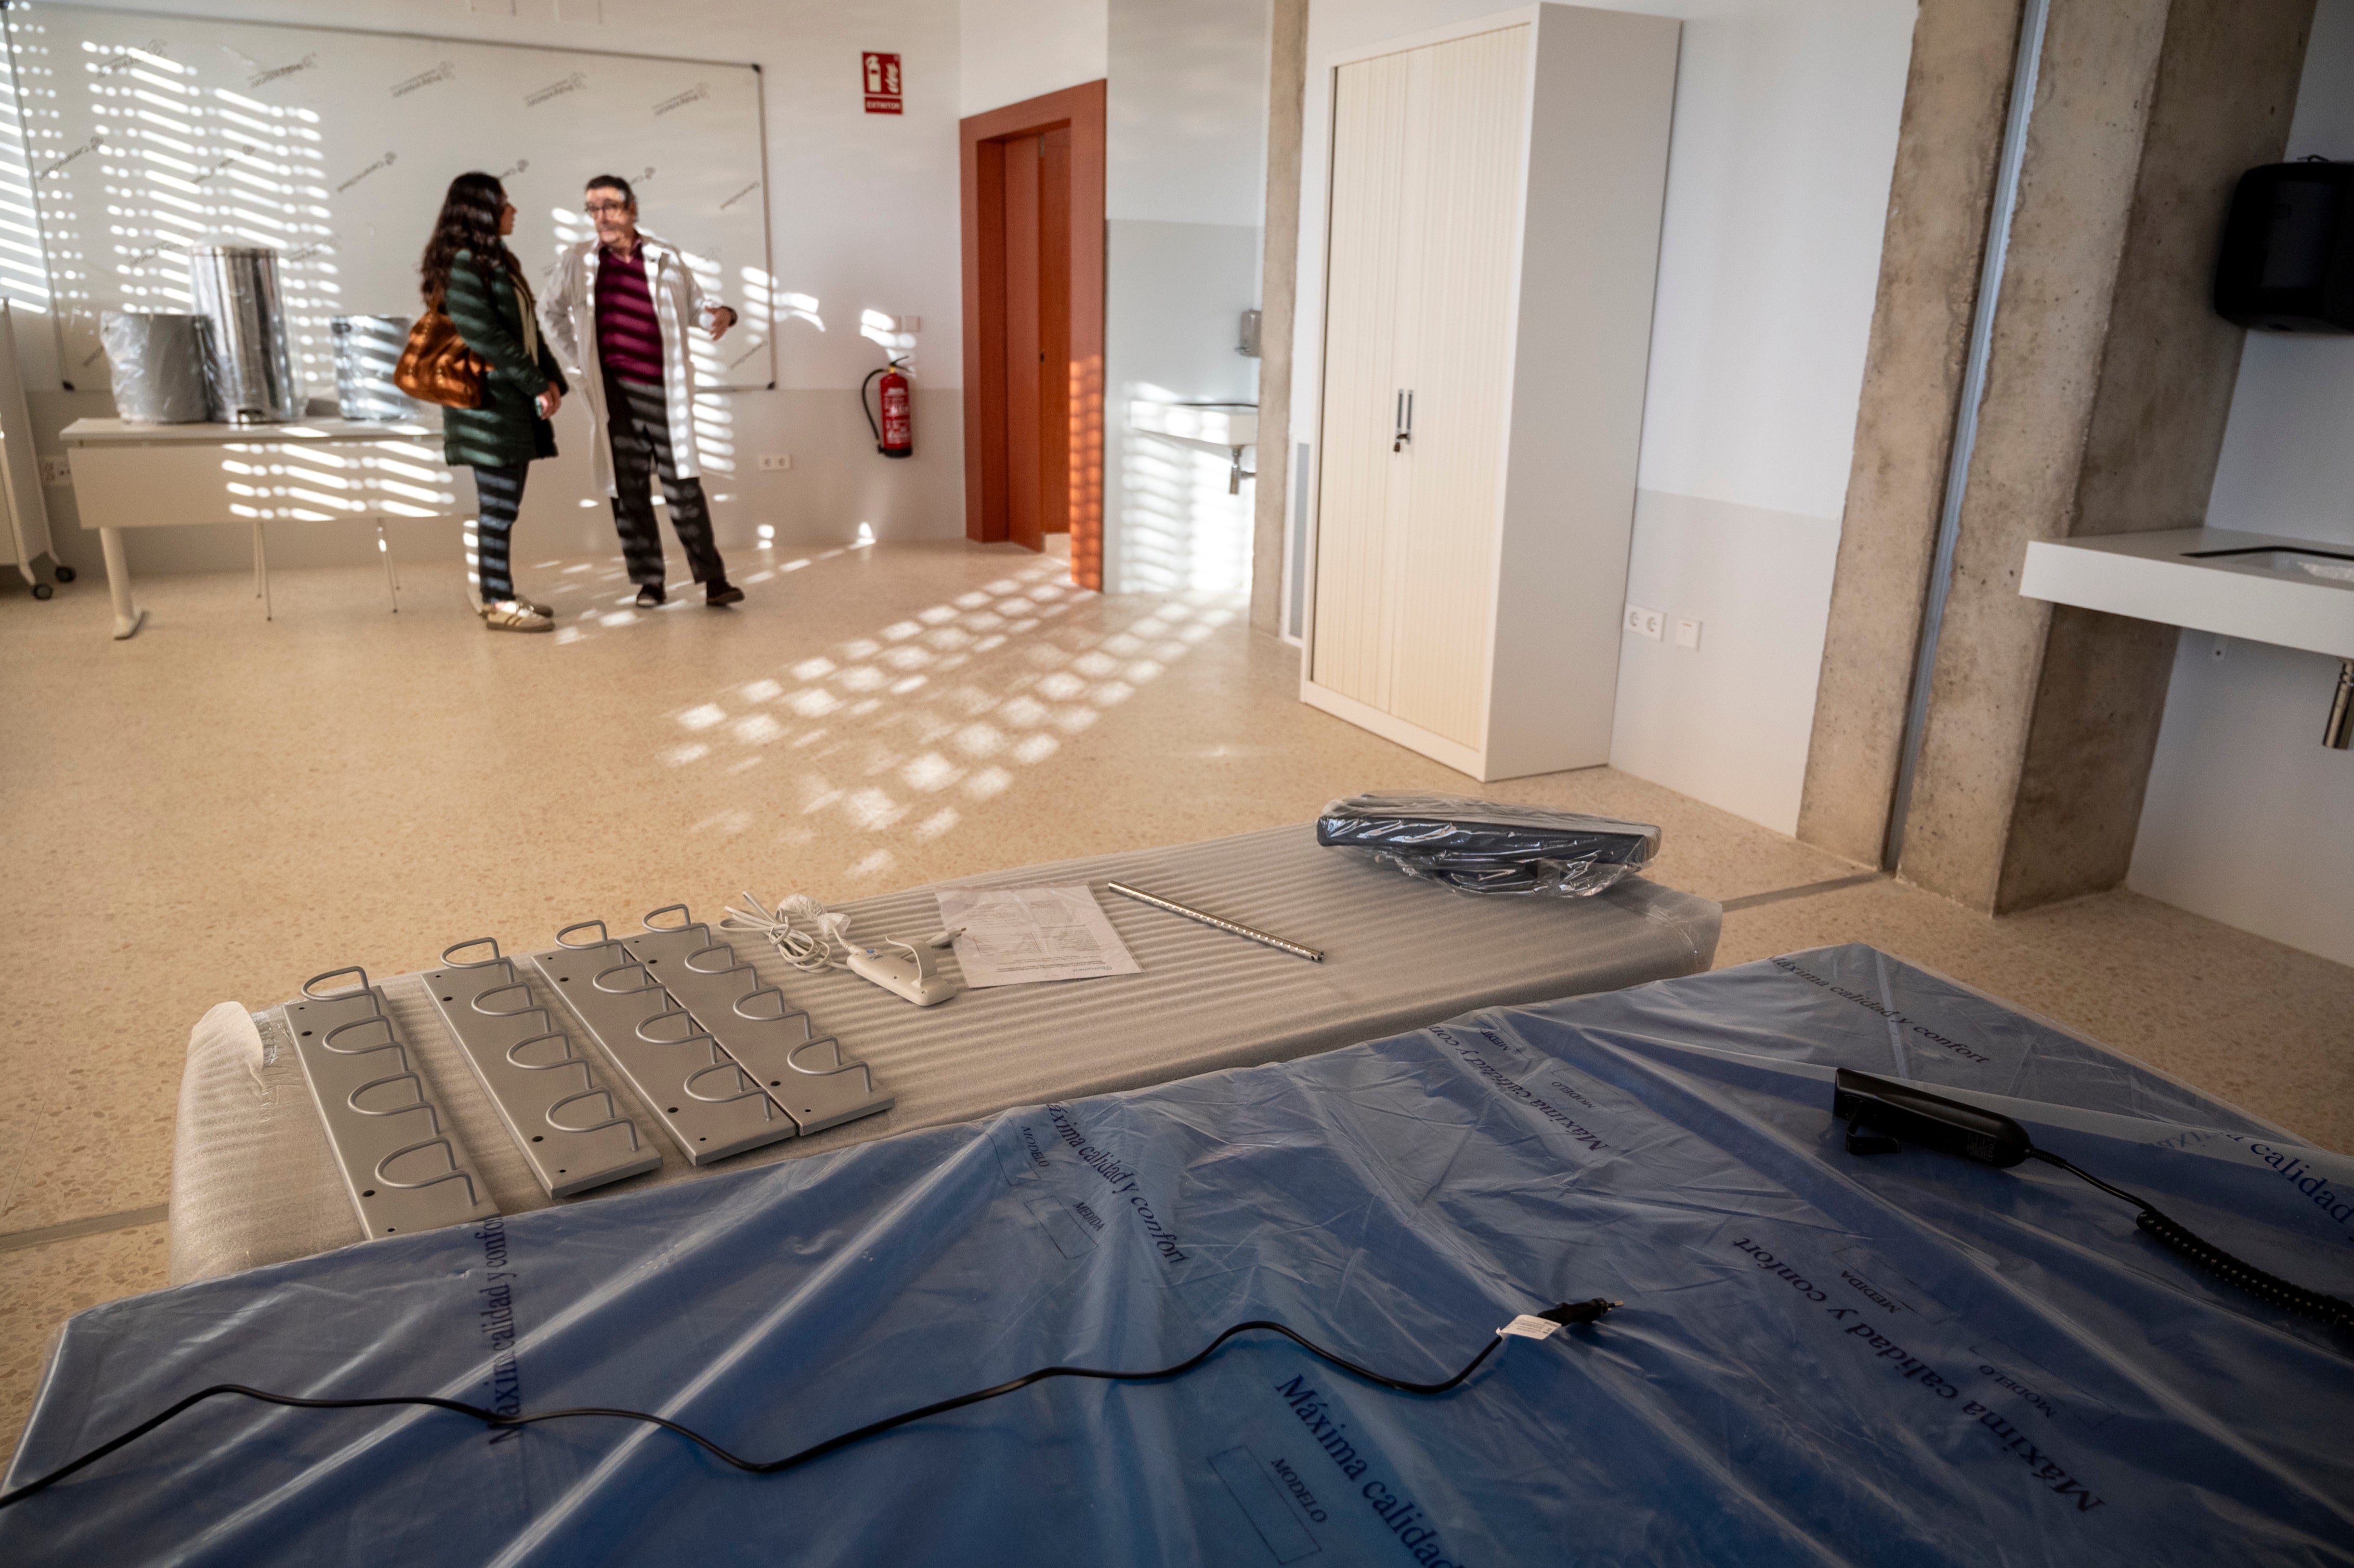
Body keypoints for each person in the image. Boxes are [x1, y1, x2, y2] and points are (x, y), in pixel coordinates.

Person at [540, 175, 743, 608]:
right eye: (592, 209)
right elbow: (549, 311)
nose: (601, 217)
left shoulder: (665, 256)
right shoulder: (577, 261)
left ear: (632, 209)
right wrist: (579, 361)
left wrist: (725, 314)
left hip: (664, 391)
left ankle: (714, 580)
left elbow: (696, 309)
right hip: (614, 393)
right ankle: (650, 582)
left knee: (684, 486)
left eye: (609, 206)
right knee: (628, 490)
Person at [421, 171, 569, 633]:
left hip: (510, 401)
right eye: (505, 203)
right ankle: (498, 601)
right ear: (481, 212)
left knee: (505, 507)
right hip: (486, 407)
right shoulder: (465, 265)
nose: (514, 210)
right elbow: (485, 336)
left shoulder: (501, 262)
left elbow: (528, 331)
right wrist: (533, 382)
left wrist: (552, 380)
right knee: (499, 508)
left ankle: (498, 591)